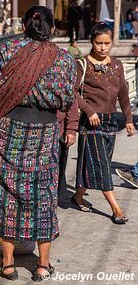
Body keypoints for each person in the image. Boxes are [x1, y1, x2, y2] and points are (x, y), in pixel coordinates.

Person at [0, 6, 76, 281]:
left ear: (23, 25)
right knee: (44, 196)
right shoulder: (65, 59)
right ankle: (42, 266)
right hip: (44, 133)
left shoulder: (8, 51)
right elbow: (67, 101)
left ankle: (7, 264)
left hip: (8, 130)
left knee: (7, 195)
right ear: (53, 29)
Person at [73, 22, 135, 224]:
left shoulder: (116, 65)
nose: (103, 47)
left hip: (110, 121)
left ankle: (78, 195)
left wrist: (128, 120)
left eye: (107, 43)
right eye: (99, 43)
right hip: (91, 122)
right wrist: (89, 111)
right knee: (102, 166)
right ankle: (116, 209)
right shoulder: (82, 64)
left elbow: (123, 94)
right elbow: (71, 92)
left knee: (99, 163)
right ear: (92, 42)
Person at [57, 99, 79, 209]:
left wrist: (71, 129)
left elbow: (72, 100)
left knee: (60, 167)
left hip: (59, 130)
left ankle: (61, 195)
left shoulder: (64, 82)